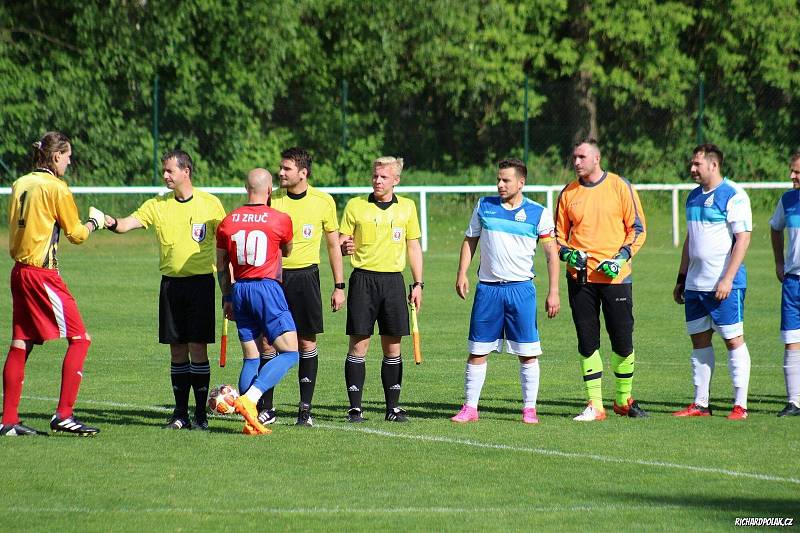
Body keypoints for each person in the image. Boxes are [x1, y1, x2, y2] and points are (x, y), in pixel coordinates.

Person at [104, 150, 225, 430]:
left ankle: (201, 415)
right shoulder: (157, 205)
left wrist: (229, 286)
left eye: (170, 171)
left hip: (201, 285)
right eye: (164, 171)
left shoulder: (210, 204)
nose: (165, 176)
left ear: (186, 172)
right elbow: (126, 225)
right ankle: (180, 414)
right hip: (171, 285)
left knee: (198, 348)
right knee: (176, 350)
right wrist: (110, 222)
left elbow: (225, 243)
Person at [1, 132, 105, 436]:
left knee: (21, 341)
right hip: (42, 274)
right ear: (56, 156)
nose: (70, 160)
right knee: (80, 339)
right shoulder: (56, 187)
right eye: (68, 155)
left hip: (19, 271)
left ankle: (8, 421)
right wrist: (94, 222)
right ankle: (64, 415)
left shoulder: (21, 183)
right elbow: (76, 234)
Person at [451, 158, 560, 424]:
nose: (500, 184)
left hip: (521, 290)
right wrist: (461, 273)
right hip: (488, 290)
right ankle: (470, 408)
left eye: (506, 180)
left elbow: (551, 254)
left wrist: (553, 291)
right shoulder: (484, 206)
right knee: (478, 350)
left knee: (527, 352)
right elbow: (470, 239)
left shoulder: (538, 213)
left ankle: (529, 409)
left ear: (521, 182)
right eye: (498, 179)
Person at [555, 138, 648, 421]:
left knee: (622, 340)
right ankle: (595, 404)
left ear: (597, 158)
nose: (576, 162)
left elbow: (638, 229)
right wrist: (569, 256)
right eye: (574, 157)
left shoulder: (620, 186)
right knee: (587, 341)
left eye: (582, 157)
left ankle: (623, 399)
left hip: (616, 278)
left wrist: (619, 258)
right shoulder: (568, 193)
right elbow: (557, 238)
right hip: (581, 280)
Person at [255, 147, 345, 427]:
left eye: (287, 169)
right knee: (268, 341)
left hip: (307, 277)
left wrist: (339, 285)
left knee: (306, 341)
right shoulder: (272, 199)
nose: (280, 173)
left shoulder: (323, 201)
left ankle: (305, 410)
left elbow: (333, 245)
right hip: (274, 279)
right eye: (280, 168)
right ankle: (266, 408)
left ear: (303, 173)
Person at [339, 156, 423, 423]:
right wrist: (344, 246)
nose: (377, 180)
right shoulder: (355, 206)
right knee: (359, 345)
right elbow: (343, 239)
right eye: (375, 176)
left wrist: (418, 283)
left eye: (384, 177)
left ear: (396, 180)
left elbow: (413, 246)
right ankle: (355, 408)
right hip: (363, 280)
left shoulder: (408, 208)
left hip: (393, 283)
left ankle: (393, 408)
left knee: (393, 347)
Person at [215, 168, 299, 436]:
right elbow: (287, 250)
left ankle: (249, 420)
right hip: (267, 288)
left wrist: (227, 296)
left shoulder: (228, 222)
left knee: (251, 356)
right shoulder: (280, 219)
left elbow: (221, 264)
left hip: (239, 289)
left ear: (245, 188)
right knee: (290, 352)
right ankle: (250, 399)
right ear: (270, 189)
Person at [673, 143, 752, 420]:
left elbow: (743, 238)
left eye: (697, 164)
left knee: (733, 340)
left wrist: (727, 279)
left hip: (723, 286)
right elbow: (690, 240)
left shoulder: (733, 195)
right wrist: (682, 278)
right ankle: (701, 404)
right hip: (695, 285)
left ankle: (740, 405)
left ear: (713, 165)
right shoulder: (693, 197)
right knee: (699, 341)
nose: (692, 168)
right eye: (692, 164)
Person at [768, 152, 800, 417]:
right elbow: (775, 228)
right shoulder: (787, 200)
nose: (792, 176)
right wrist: (779, 263)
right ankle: (794, 402)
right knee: (791, 341)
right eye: (792, 171)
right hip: (792, 282)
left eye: (797, 172)